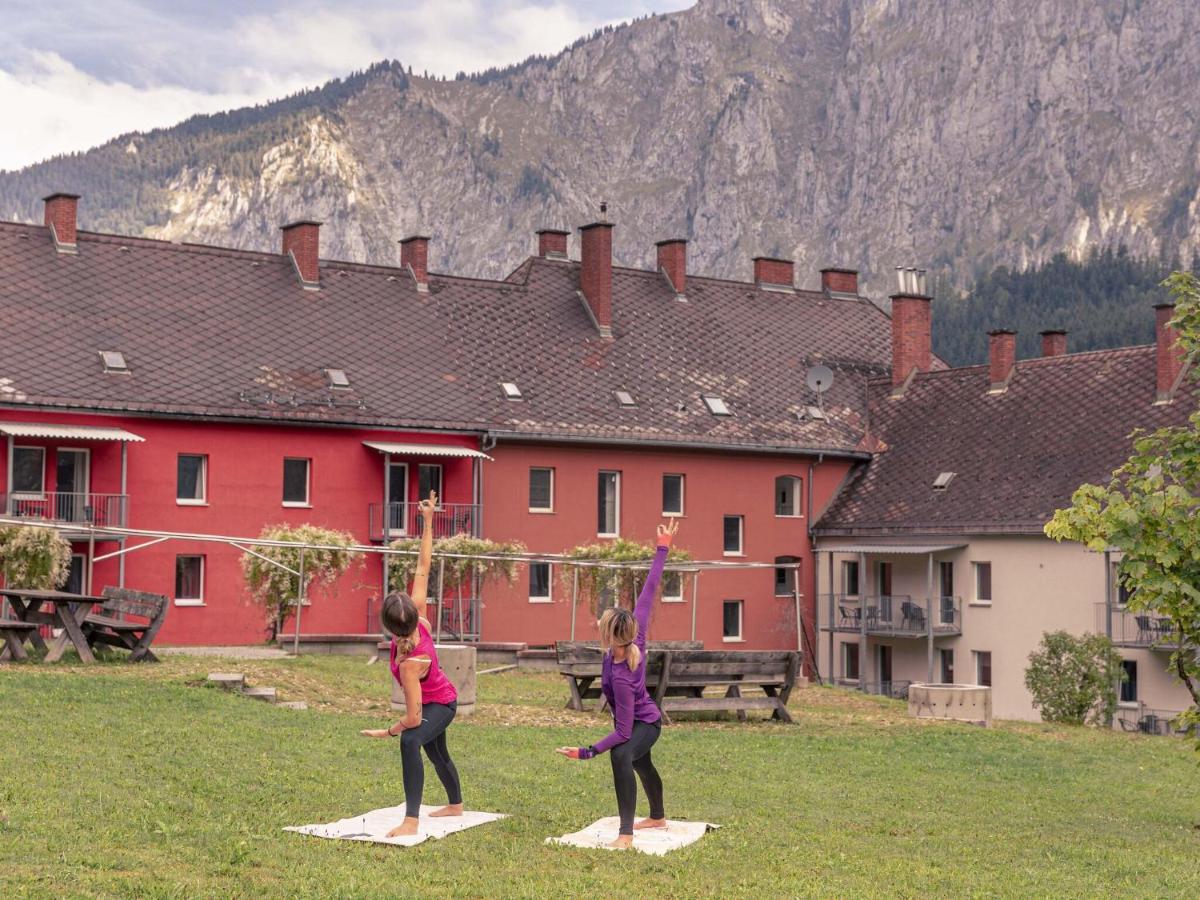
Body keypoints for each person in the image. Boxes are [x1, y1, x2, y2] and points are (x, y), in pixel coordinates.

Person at [556, 519, 679, 849]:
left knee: (622, 756)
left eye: (603, 621)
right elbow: (650, 589)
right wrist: (662, 547)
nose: (598, 620)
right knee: (640, 761)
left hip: (646, 723)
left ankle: (625, 835)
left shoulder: (623, 675)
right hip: (640, 720)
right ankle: (658, 817)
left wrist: (587, 752)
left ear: (611, 634)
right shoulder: (633, 635)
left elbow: (624, 732)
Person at [360, 491, 462, 837]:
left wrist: (387, 731)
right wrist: (429, 521)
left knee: (410, 741)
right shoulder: (417, 619)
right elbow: (423, 565)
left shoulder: (409, 663)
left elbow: (414, 717)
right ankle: (455, 805)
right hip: (438, 699)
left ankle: (411, 820)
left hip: (443, 703)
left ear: (389, 626)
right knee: (435, 751)